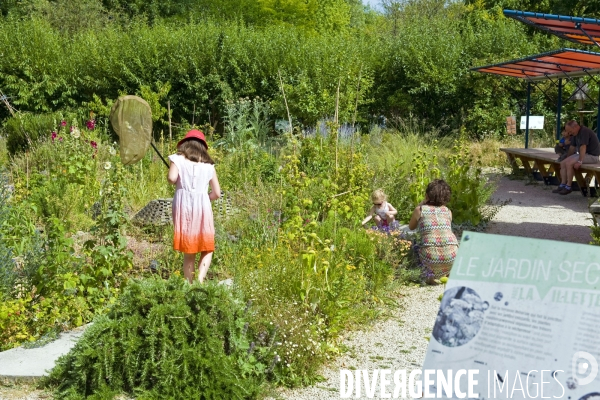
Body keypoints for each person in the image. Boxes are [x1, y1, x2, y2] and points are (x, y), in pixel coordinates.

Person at [168, 129, 221, 283]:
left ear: (185, 144)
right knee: (207, 246)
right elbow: (217, 193)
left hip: (183, 205)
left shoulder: (177, 158)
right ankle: (200, 279)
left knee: (189, 249)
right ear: (203, 147)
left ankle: (189, 285)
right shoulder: (209, 166)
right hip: (202, 206)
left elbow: (172, 178)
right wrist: (204, 198)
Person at [408, 179, 458, 284]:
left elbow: (411, 227)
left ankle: (429, 278)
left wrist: (421, 204)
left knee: (415, 245)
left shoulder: (420, 210)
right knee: (445, 241)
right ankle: (448, 273)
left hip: (430, 257)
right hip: (453, 256)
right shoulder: (448, 211)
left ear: (427, 195)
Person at [553, 120, 600, 195]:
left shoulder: (584, 131)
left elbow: (583, 147)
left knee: (569, 163)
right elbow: (572, 147)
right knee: (563, 163)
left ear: (575, 127)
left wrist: (579, 161)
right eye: (568, 132)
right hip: (584, 154)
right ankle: (563, 185)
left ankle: (568, 187)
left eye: (570, 131)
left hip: (592, 156)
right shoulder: (575, 134)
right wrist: (567, 157)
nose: (569, 133)